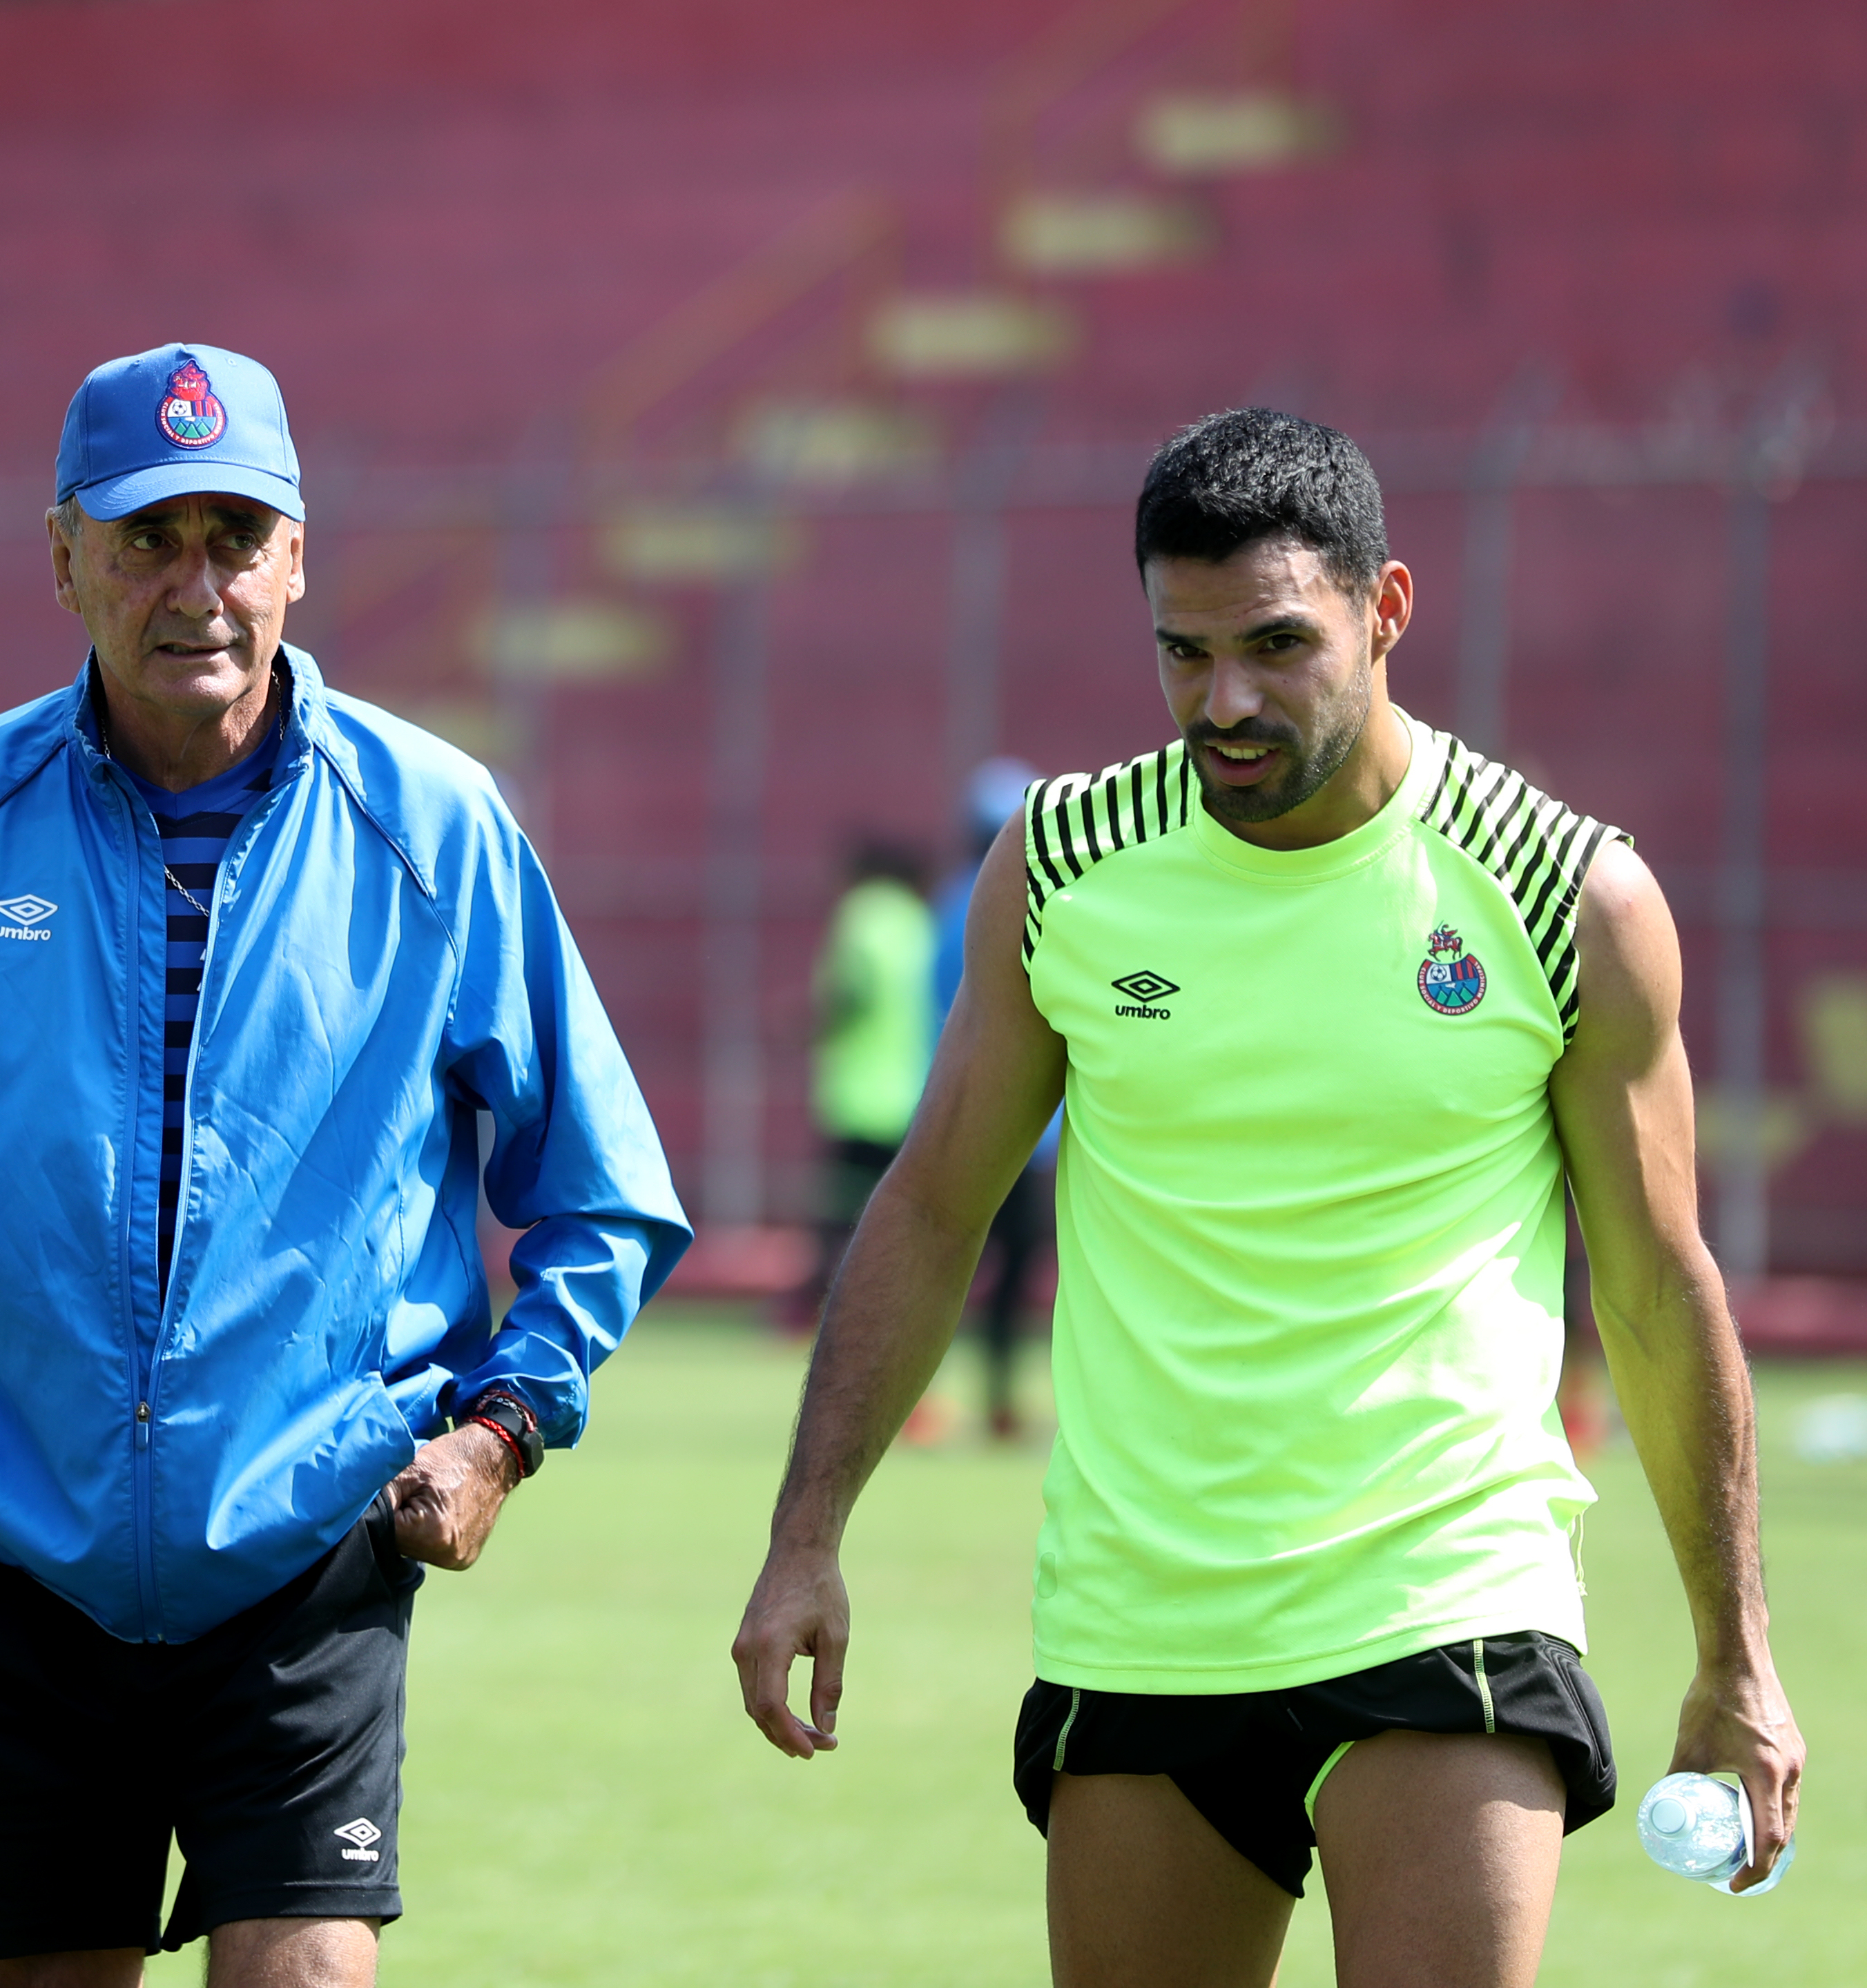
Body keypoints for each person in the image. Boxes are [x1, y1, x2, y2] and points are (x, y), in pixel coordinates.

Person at [732, 409, 1802, 1987]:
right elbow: (934, 1206)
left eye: (1275, 645)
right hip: (1142, 1612)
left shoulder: (1564, 890)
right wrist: (805, 1534)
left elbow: (1654, 1283)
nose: (1223, 702)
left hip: (1445, 1590)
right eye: (1182, 654)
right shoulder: (1064, 863)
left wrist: (1736, 1652)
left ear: (1386, 609)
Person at [0, 342, 688, 1988]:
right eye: (146, 539)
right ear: (65, 556)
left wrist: (500, 1428)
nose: (196, 587)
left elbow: (599, 1185)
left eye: (236, 537)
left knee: (309, 1971)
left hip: (306, 1541)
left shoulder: (436, 824)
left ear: (297, 557)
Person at [932, 759, 1056, 1439]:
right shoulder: (1008, 900)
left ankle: (949, 1402)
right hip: (1019, 1127)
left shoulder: (949, 903)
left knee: (950, 1261)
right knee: (1007, 1271)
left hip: (954, 1113)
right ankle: (997, 1402)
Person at [782, 837, 936, 1328]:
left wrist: (810, 1027)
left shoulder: (864, 913)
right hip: (913, 1094)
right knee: (897, 1218)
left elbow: (853, 991)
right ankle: (890, 1313)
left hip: (861, 1096)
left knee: (838, 1214)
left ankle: (822, 1313)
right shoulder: (919, 921)